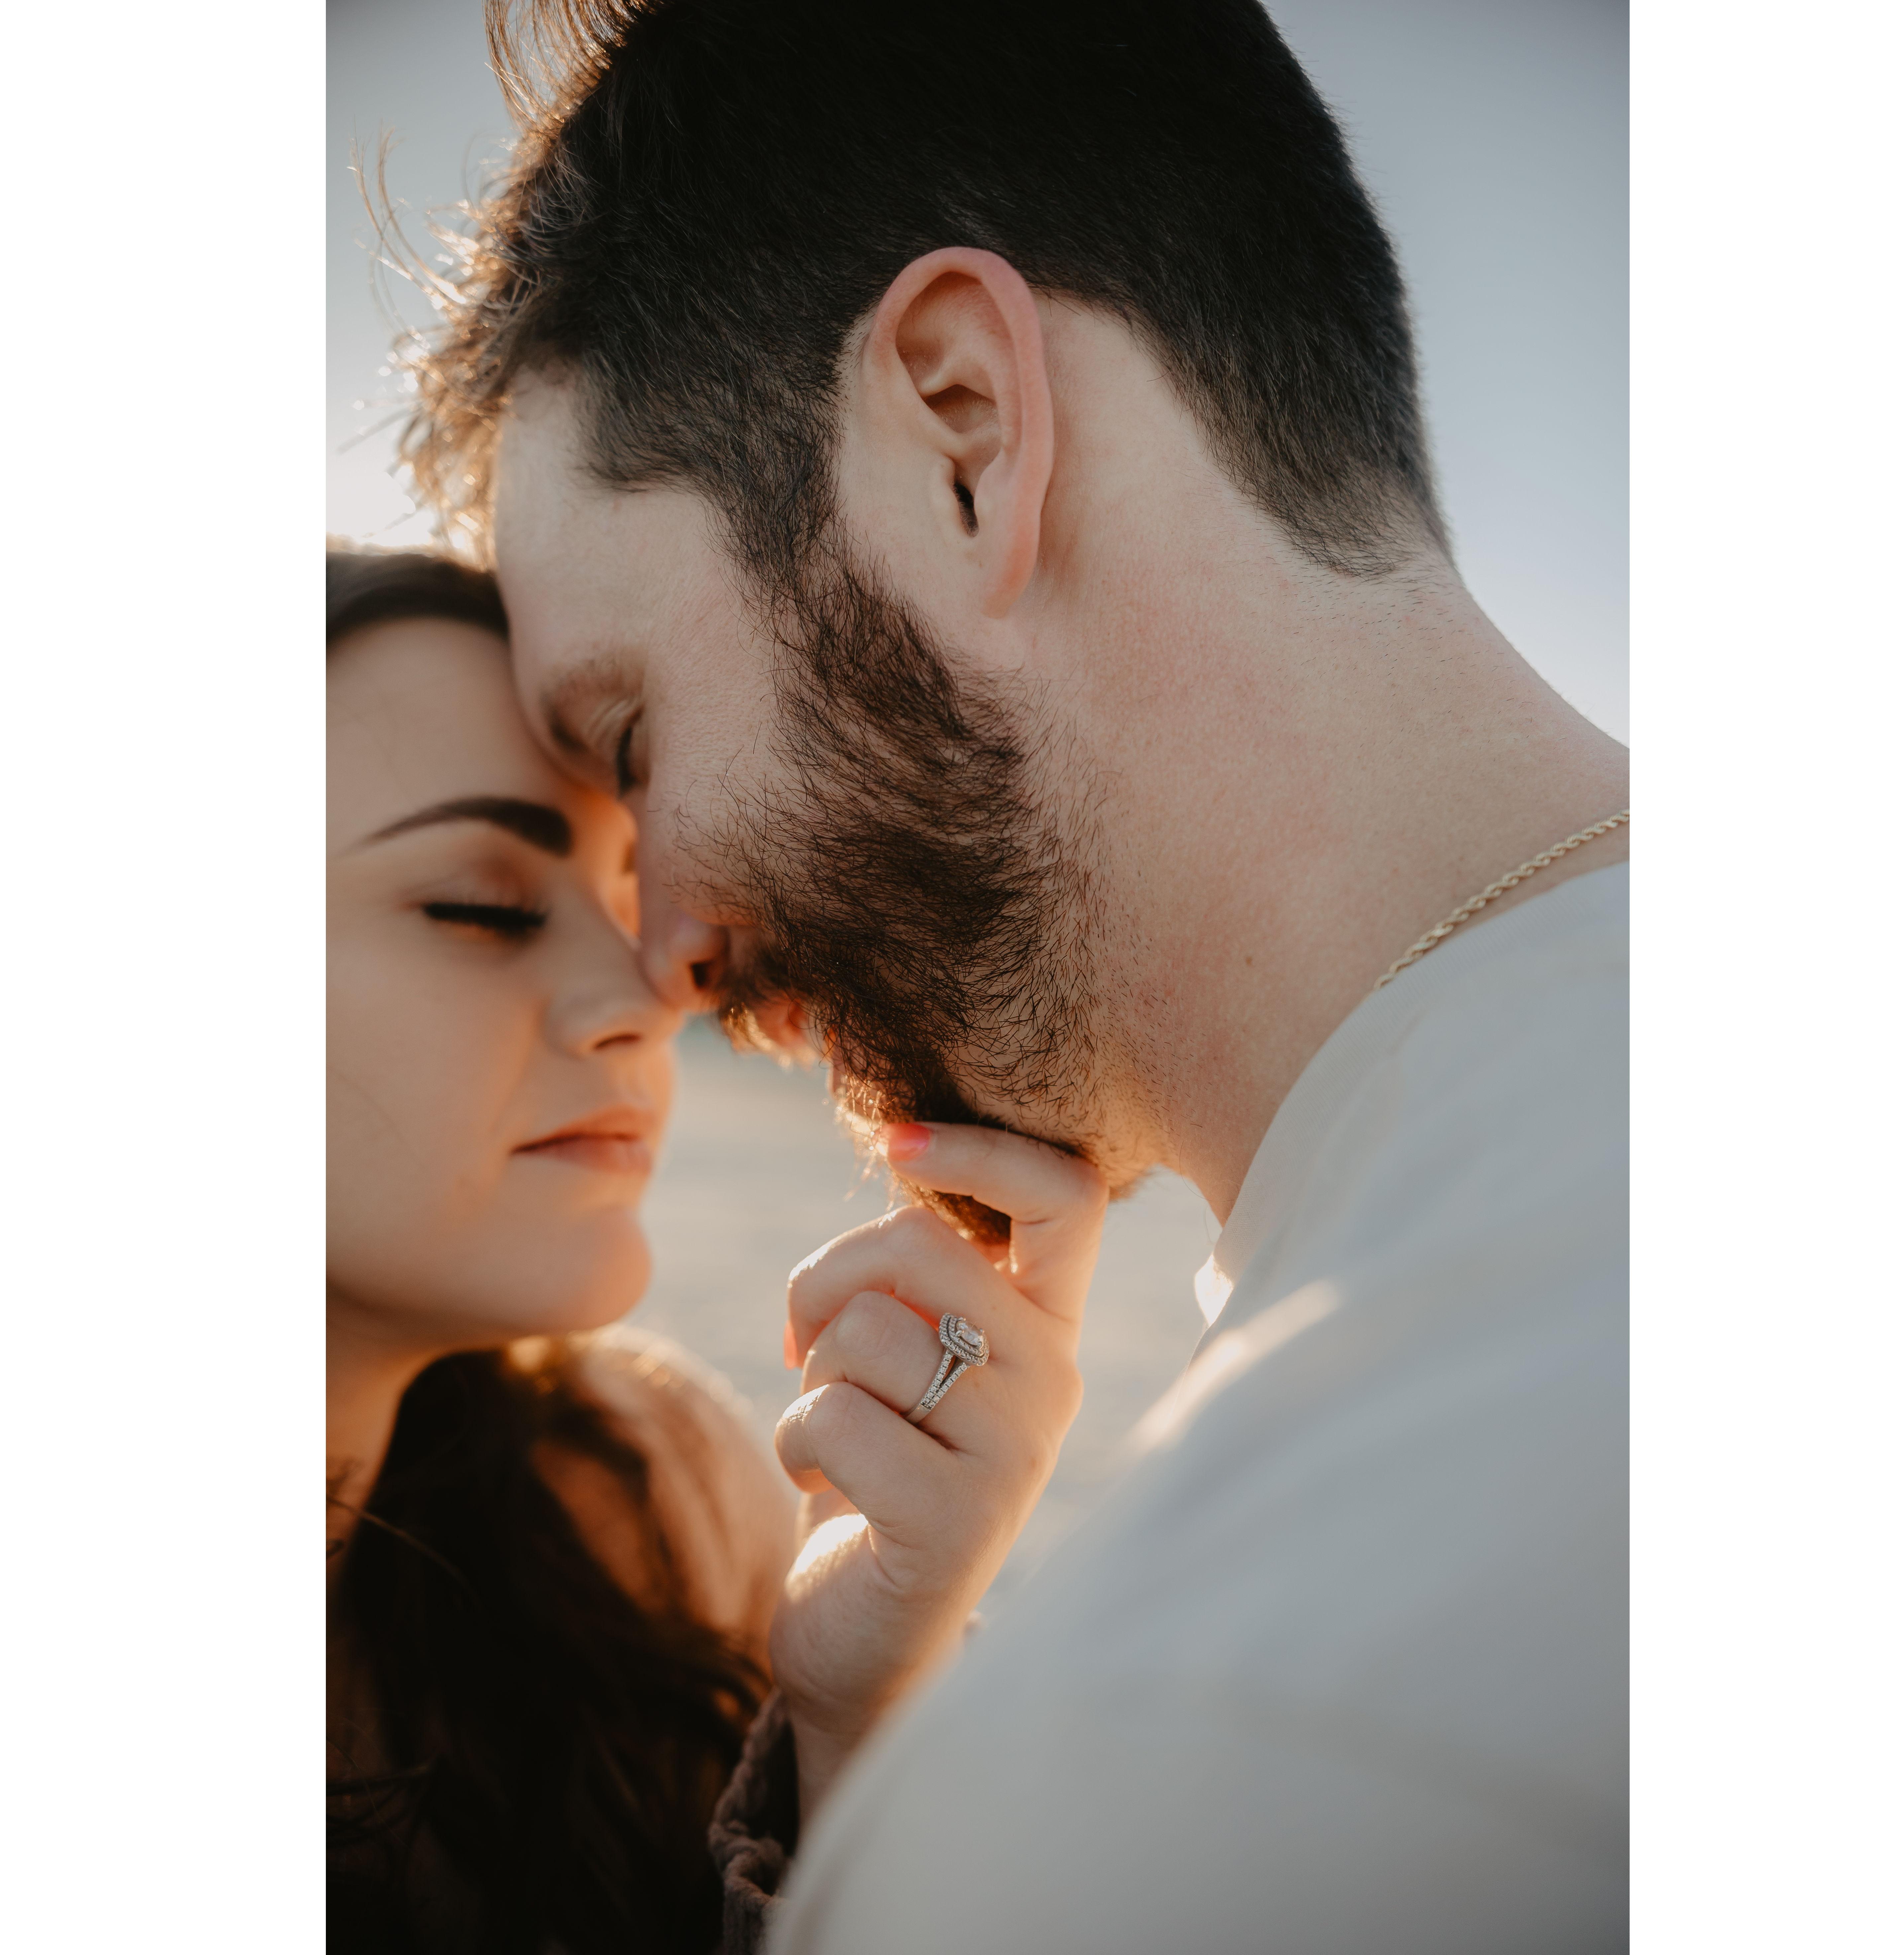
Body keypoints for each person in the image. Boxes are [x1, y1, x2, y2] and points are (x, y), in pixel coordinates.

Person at [404, 0, 1629, 1946]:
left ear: (963, 429)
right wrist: (860, 1727)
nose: (664, 956)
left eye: (630, 735)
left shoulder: (1200, 1753)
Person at [325, 546, 1103, 1953]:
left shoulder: (651, 1501)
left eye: (626, 901)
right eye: (482, 905)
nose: (650, 993)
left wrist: (861, 1714)